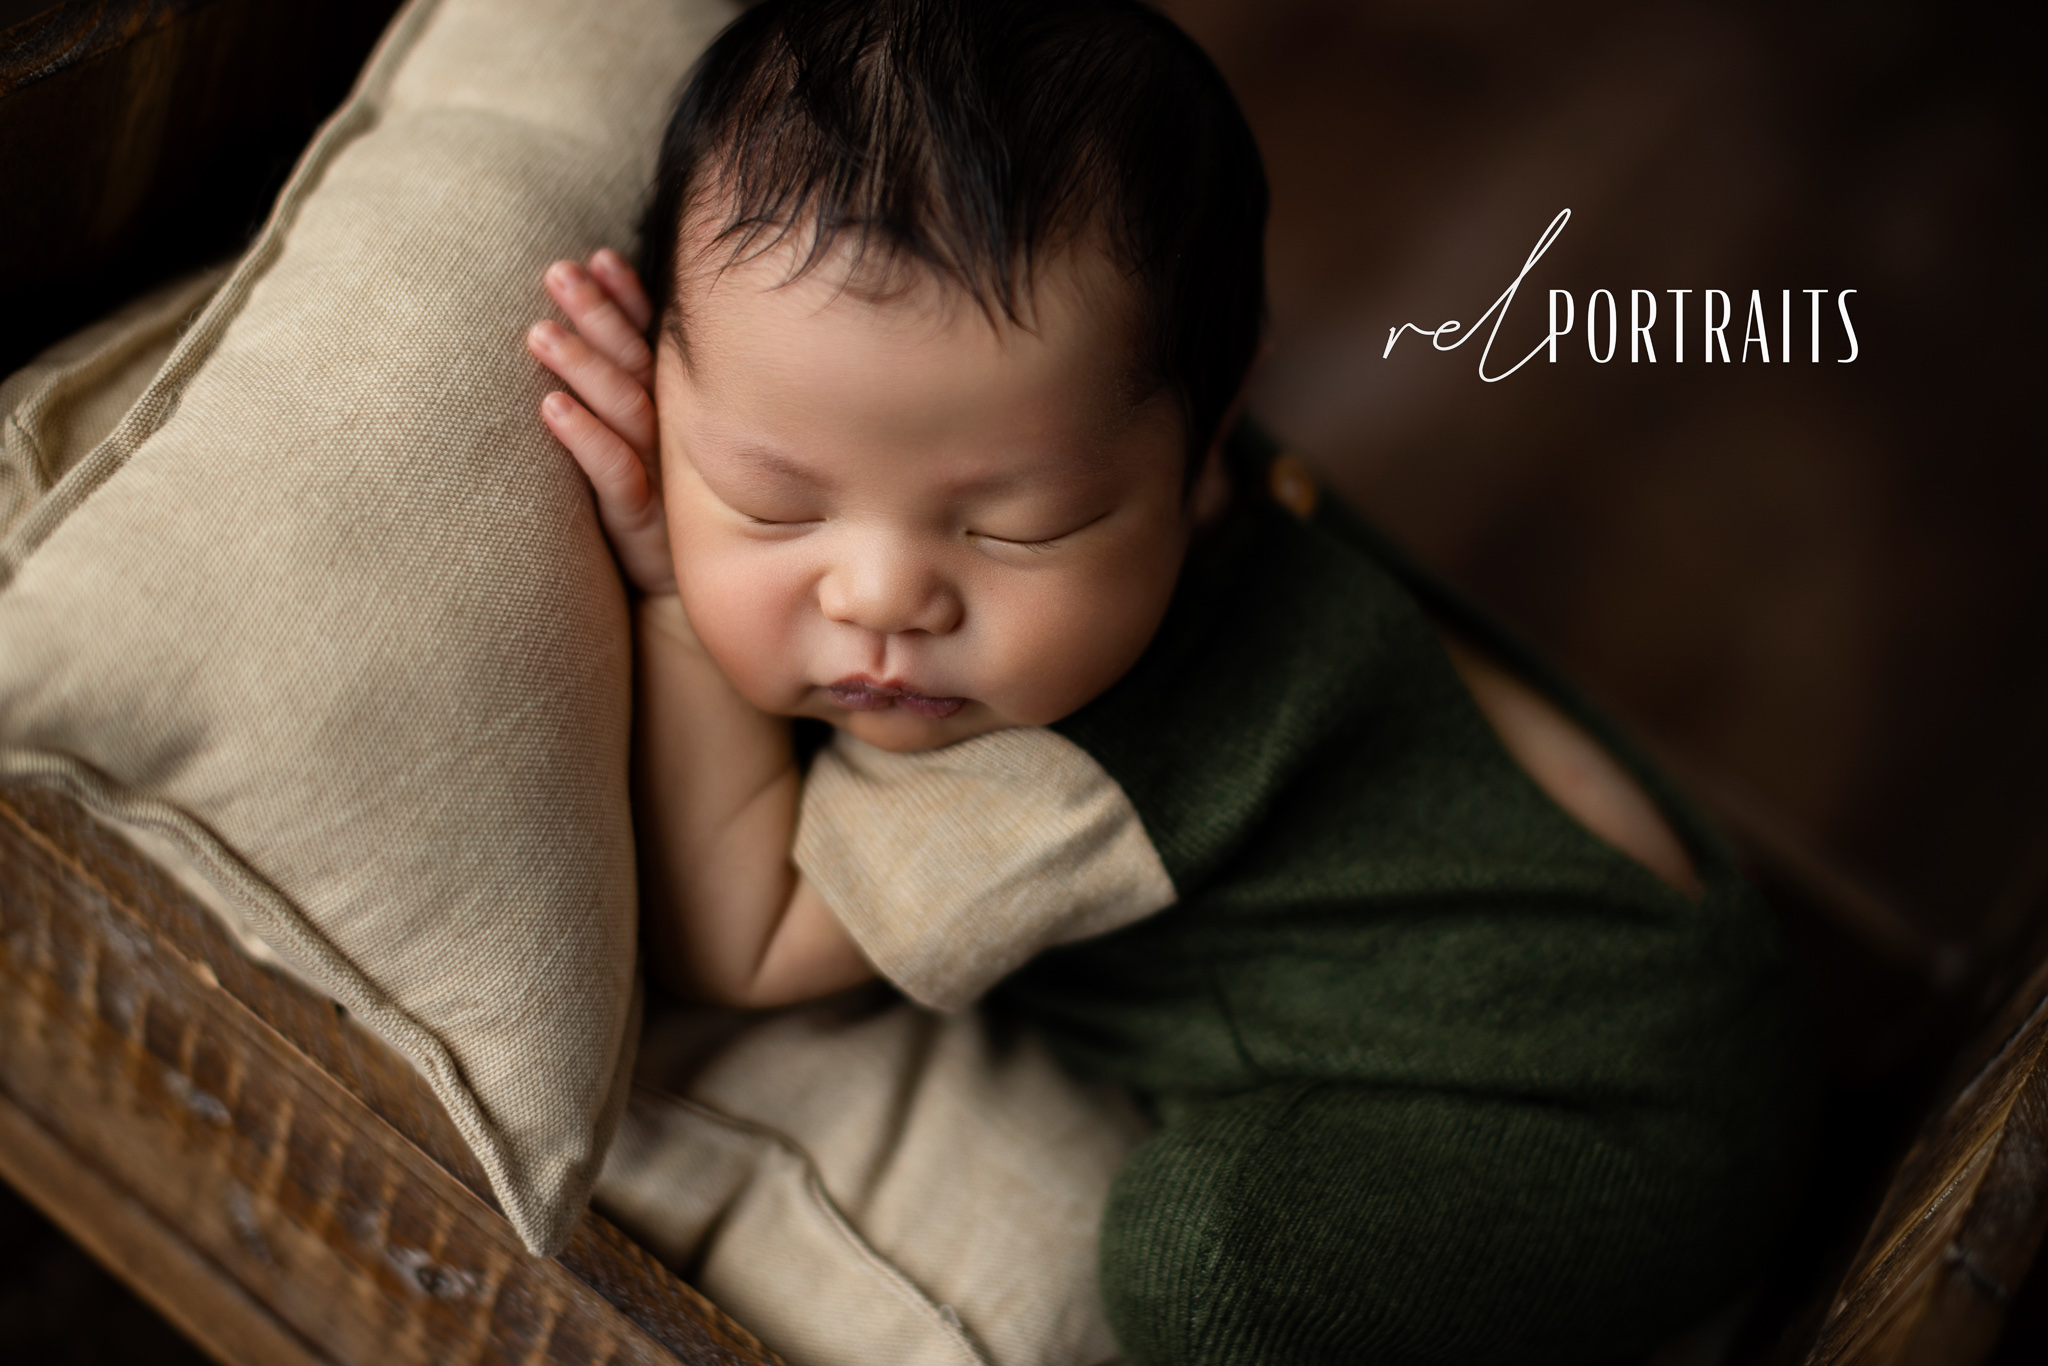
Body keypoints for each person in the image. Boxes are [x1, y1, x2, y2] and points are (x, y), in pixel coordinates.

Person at [525, 0, 1813, 1361]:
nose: (883, 598)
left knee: (1204, 1264)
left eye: (1016, 527)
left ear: (1206, 448)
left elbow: (741, 938)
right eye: (773, 501)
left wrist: (677, 588)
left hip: (1609, 1130)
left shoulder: (1069, 756)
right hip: (1674, 964)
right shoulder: (1117, 440)